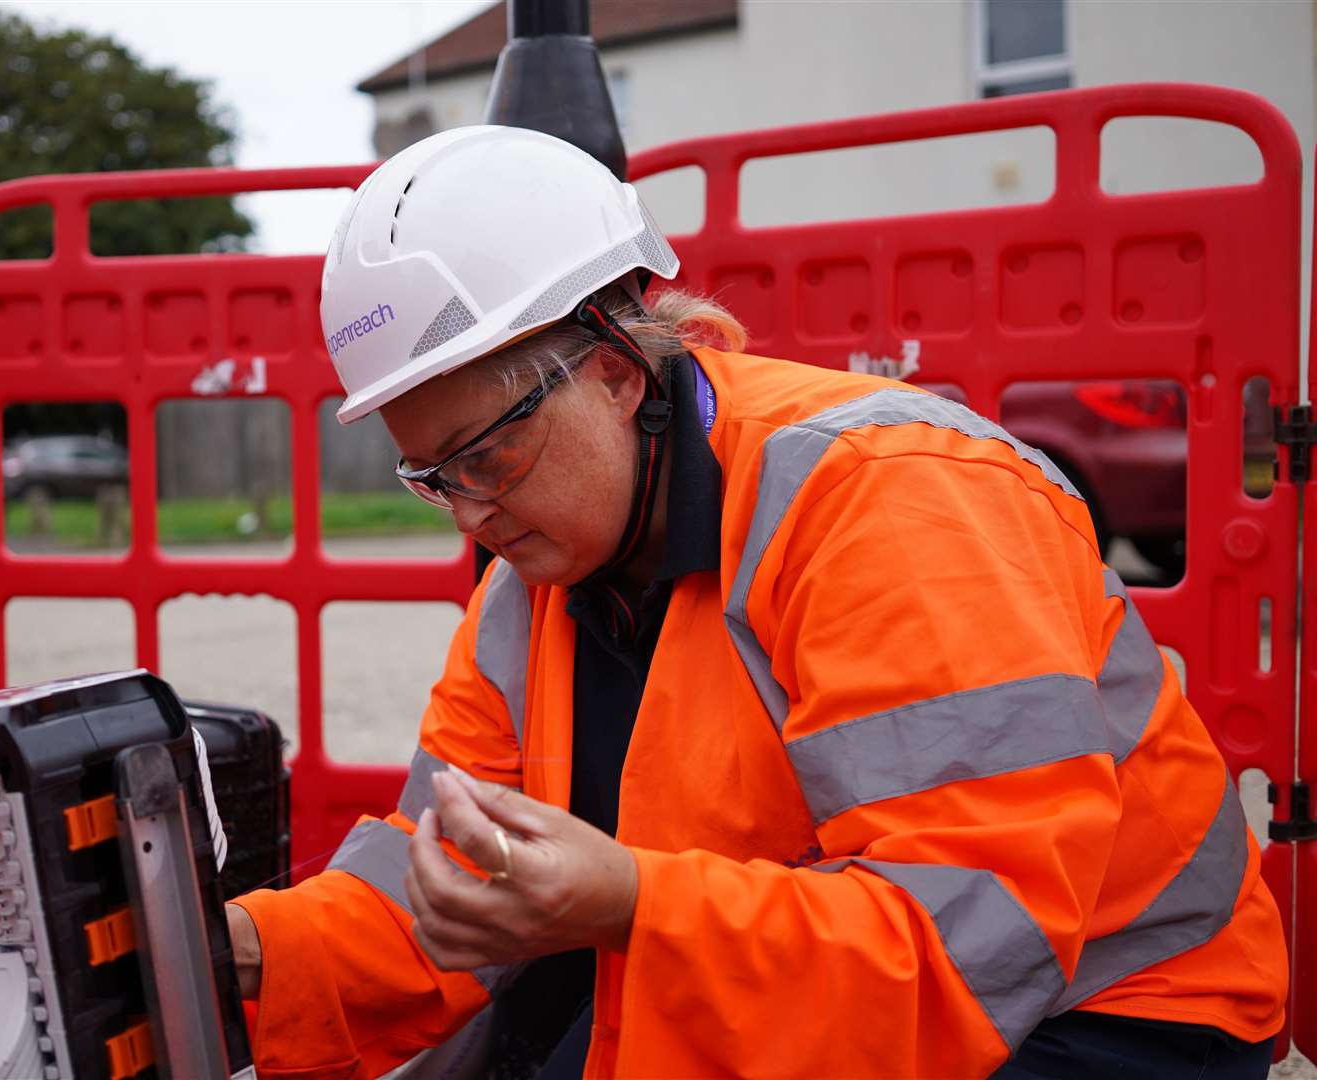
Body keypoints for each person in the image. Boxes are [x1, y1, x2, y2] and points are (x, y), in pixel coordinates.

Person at [224, 125, 1287, 1079]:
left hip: (1108, 1023)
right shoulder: (525, 590)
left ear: (613, 370)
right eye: (431, 476)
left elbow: (962, 952)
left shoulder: (891, 498)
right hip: (808, 996)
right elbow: (443, 888)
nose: (467, 514)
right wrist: (242, 952)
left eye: (489, 457)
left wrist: (632, 903)